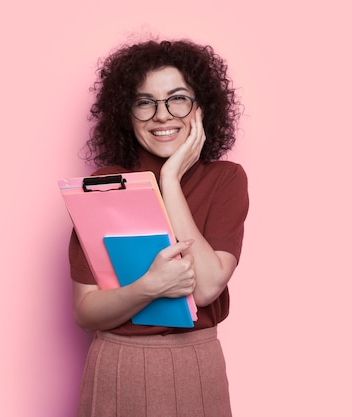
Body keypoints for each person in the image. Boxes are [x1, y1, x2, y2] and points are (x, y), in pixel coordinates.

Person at [68, 38, 248, 417]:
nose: (162, 115)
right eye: (145, 102)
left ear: (201, 108)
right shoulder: (103, 185)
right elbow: (86, 312)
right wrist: (148, 288)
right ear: (127, 112)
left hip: (195, 366)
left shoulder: (226, 179)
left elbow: (206, 288)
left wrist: (169, 180)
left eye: (177, 98)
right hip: (117, 366)